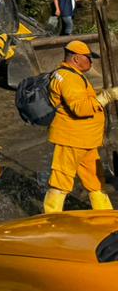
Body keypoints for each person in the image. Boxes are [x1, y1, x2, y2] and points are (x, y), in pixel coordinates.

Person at [42, 40, 118, 212]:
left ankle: (105, 217)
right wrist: (107, 96)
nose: (91, 62)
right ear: (76, 58)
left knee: (95, 180)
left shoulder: (70, 75)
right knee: (61, 181)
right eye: (89, 58)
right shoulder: (69, 78)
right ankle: (51, 220)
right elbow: (81, 108)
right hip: (71, 138)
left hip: (85, 139)